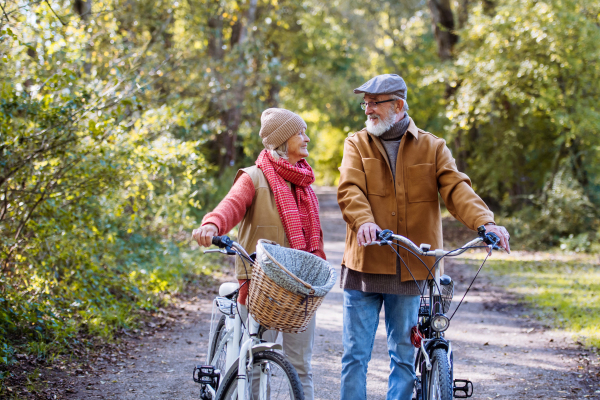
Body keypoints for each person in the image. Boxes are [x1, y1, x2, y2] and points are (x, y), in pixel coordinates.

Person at [337, 74, 510, 400]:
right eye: (366, 103)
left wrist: (485, 223)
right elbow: (350, 188)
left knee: (403, 357)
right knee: (354, 357)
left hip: (411, 269)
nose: (367, 109)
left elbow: (457, 189)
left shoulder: (433, 147)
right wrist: (363, 222)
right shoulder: (356, 143)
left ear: (398, 106)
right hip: (364, 265)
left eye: (375, 103)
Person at [192, 108, 325, 400]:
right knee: (253, 361)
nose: (306, 138)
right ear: (281, 140)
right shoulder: (254, 177)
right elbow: (231, 205)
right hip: (260, 287)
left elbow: (314, 243)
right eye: (299, 133)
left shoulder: (305, 183)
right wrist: (212, 224)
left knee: (301, 367)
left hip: (301, 291)